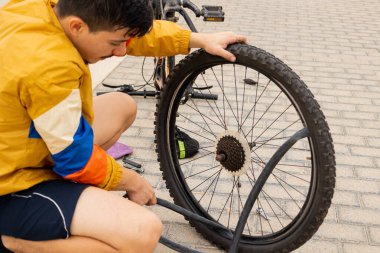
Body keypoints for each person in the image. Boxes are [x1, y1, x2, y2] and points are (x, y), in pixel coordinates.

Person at [0, 0, 247, 252]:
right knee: (143, 232)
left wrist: (200, 40)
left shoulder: (46, 8)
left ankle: (67, 202)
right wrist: (131, 181)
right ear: (77, 27)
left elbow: (128, 34)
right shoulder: (47, 66)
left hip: (21, 146)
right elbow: (75, 159)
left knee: (122, 106)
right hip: (10, 186)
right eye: (114, 44)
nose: (121, 52)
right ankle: (15, 242)